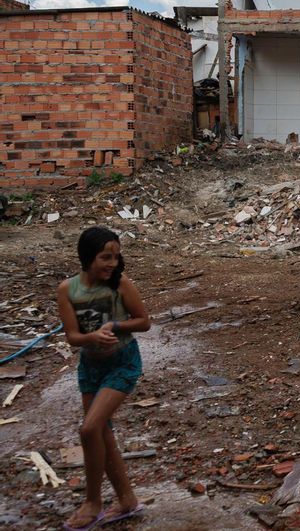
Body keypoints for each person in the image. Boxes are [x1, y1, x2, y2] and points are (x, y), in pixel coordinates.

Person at [56, 227, 151, 531]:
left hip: (123, 363)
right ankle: (126, 499)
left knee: (89, 429)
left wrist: (115, 326)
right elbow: (72, 336)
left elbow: (144, 322)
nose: (111, 263)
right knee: (101, 432)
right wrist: (91, 337)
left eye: (115, 256)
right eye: (104, 257)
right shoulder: (67, 290)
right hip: (90, 367)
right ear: (87, 257)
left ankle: (92, 502)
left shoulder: (121, 284)